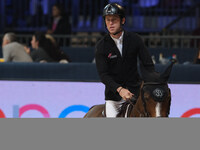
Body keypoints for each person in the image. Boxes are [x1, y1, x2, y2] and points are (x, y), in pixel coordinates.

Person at [95, 3, 155, 117]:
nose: (111, 23)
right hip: (114, 98)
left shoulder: (135, 39)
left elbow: (148, 65)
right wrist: (120, 89)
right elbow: (103, 75)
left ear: (122, 20)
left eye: (114, 20)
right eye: (108, 20)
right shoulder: (101, 46)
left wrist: (150, 84)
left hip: (137, 93)